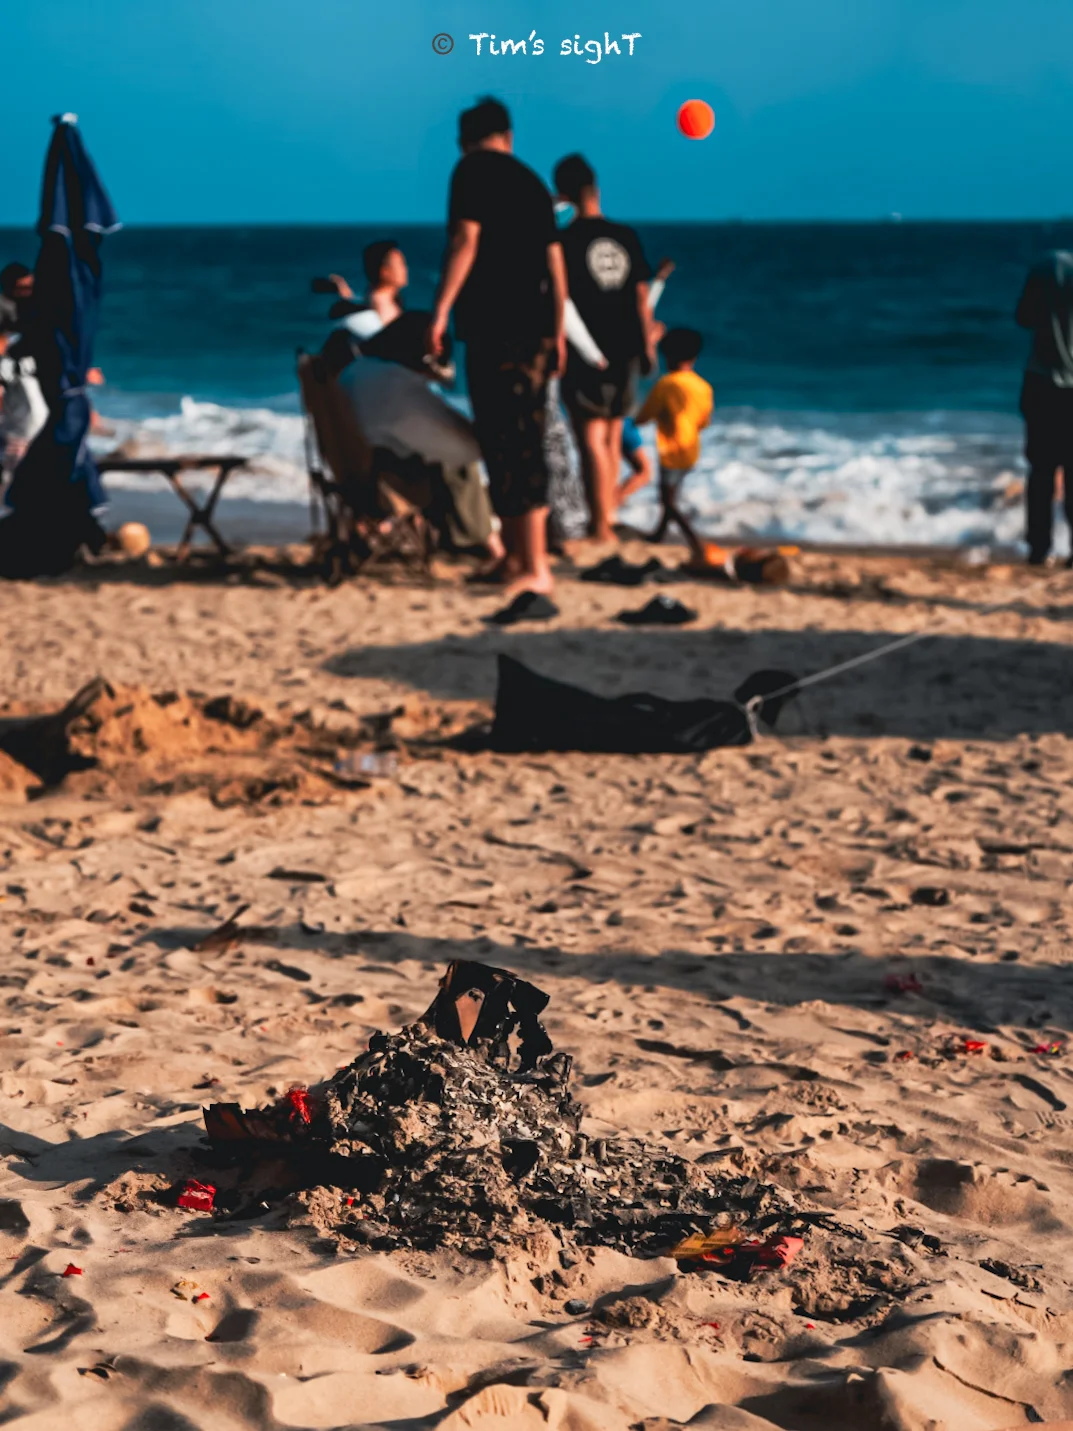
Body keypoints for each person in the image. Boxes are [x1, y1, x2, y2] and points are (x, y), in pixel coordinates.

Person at [428, 96, 568, 607]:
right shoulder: (532, 182)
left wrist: (440, 309)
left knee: (512, 442)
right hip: (534, 329)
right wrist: (557, 334)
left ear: (465, 140)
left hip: (496, 327)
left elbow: (465, 239)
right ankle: (513, 557)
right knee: (513, 438)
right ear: (507, 136)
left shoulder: (470, 172)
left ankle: (534, 566)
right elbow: (556, 266)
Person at [553, 153, 656, 543]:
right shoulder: (626, 236)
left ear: (562, 195)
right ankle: (608, 517)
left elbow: (560, 299)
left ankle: (599, 524)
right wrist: (648, 347)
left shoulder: (565, 241)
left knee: (590, 436)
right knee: (613, 431)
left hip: (588, 348)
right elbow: (640, 296)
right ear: (596, 190)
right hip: (627, 344)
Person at [635, 327, 713, 562]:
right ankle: (658, 534)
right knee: (671, 494)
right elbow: (704, 420)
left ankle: (695, 541)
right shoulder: (703, 386)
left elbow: (647, 413)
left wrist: (634, 422)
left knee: (668, 500)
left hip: (671, 449)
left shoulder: (666, 384)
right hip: (691, 447)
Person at [1015, 249, 1073, 564]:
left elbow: (1023, 318)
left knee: (1040, 471)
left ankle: (1039, 547)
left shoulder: (1044, 267)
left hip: (1041, 381)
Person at [0, 263, 48, 481]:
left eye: (31, 287)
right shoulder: (4, 306)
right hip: (10, 374)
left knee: (32, 423)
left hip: (28, 373)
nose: (28, 292)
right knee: (28, 423)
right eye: (23, 288)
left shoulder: (33, 306)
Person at [323, 239, 408, 343]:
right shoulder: (382, 302)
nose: (405, 269)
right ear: (384, 271)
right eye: (400, 264)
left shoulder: (375, 297)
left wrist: (347, 296)